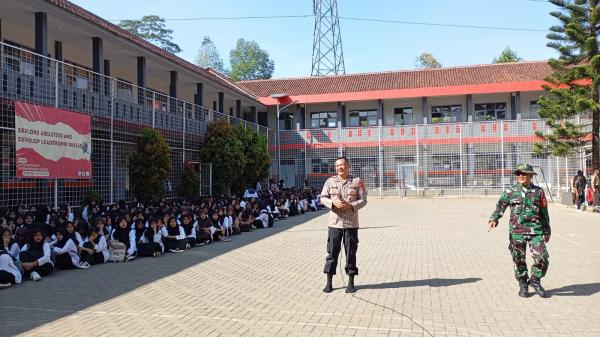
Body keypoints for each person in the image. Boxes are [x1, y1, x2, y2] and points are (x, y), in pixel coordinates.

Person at [489, 163, 551, 298]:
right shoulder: (510, 191)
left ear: (530, 175)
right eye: (518, 173)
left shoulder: (538, 192)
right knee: (518, 258)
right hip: (517, 231)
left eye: (523, 173)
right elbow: (500, 206)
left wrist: (547, 230)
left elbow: (544, 212)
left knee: (543, 257)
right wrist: (494, 218)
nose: (520, 176)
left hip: (536, 231)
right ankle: (523, 283)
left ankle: (535, 280)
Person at [320, 156, 367, 293]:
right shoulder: (330, 181)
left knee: (351, 253)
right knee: (332, 253)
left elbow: (364, 200)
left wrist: (351, 206)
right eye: (337, 166)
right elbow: (323, 197)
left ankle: (351, 283)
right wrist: (332, 203)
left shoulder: (357, 181)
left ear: (348, 166)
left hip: (351, 223)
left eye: (342, 165)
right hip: (334, 224)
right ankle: (329, 282)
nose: (339, 168)